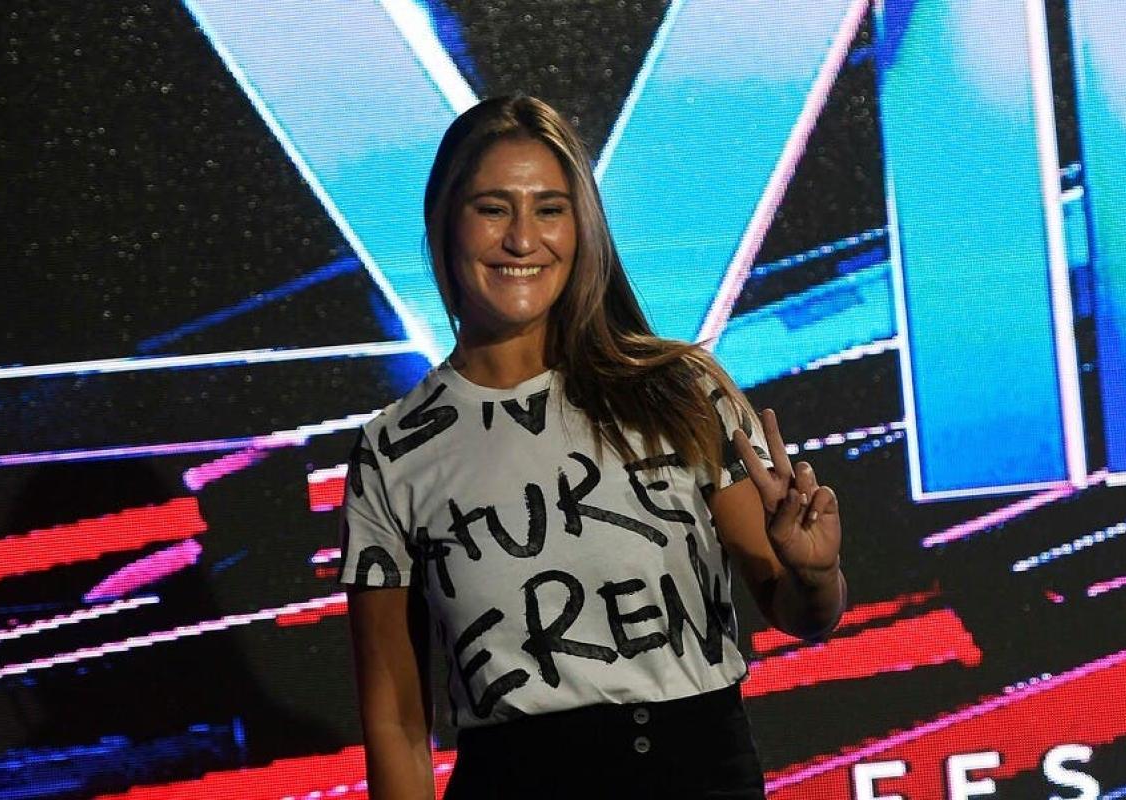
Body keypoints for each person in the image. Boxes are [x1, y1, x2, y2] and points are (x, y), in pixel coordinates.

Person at [339, 94, 846, 800]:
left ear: (582, 228)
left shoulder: (681, 389)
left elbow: (802, 614)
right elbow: (396, 722)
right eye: (493, 209)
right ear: (445, 223)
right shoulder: (392, 451)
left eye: (549, 209)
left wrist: (816, 575)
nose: (523, 240)